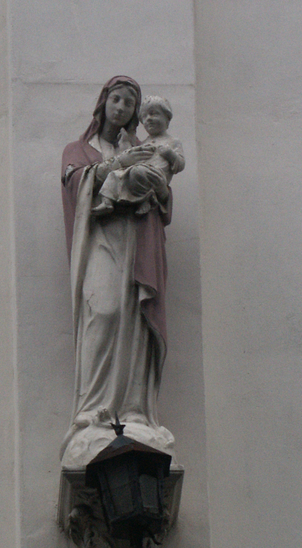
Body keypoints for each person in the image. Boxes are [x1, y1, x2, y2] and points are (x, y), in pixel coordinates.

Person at [60, 76, 176, 467]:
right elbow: (75, 186)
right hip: (101, 241)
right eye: (117, 99)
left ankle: (133, 411)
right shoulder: (78, 149)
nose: (122, 108)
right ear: (104, 102)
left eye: (129, 103)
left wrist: (152, 179)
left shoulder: (144, 147)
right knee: (105, 311)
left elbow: (162, 192)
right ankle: (92, 410)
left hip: (137, 241)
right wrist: (115, 166)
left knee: (134, 320)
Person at [91, 95, 185, 217]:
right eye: (144, 117)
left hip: (156, 175)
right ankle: (107, 201)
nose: (148, 119)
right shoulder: (144, 142)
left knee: (137, 172)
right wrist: (125, 143)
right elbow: (133, 158)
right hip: (139, 172)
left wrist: (170, 154)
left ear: (167, 118)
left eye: (153, 114)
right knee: (115, 174)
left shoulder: (172, 141)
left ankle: (147, 199)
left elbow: (180, 164)